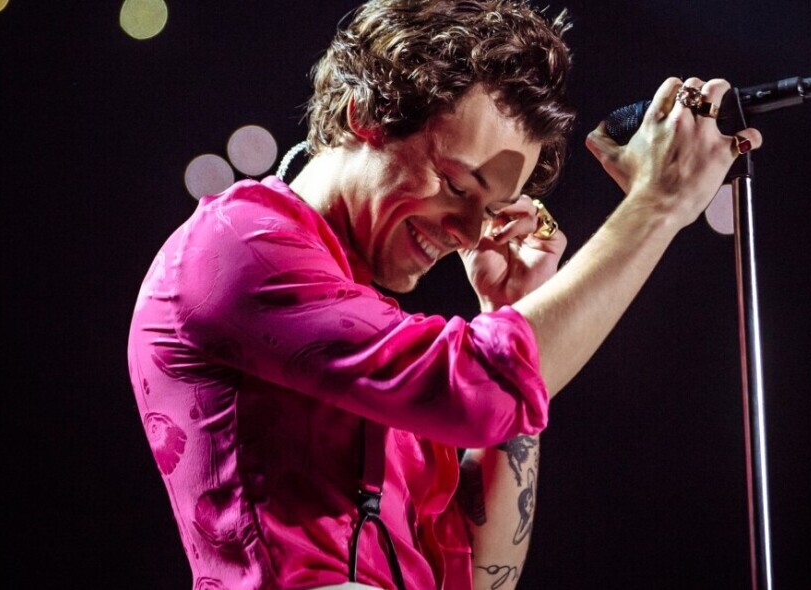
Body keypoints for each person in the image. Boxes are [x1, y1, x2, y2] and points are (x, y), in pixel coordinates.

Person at [126, 0, 761, 588]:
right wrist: (656, 205)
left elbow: (484, 575)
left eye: (490, 208)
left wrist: (508, 310)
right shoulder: (238, 245)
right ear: (365, 114)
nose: (467, 232)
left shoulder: (367, 317)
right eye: (457, 186)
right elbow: (477, 387)